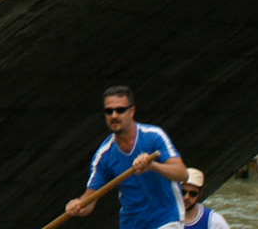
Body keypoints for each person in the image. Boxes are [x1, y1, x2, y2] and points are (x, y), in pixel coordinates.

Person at [66, 85, 188, 229]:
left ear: (132, 111)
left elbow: (182, 174)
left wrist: (153, 166)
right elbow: (89, 202)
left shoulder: (154, 136)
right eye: (109, 111)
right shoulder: (103, 156)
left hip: (166, 219)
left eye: (120, 110)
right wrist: (76, 206)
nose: (114, 116)